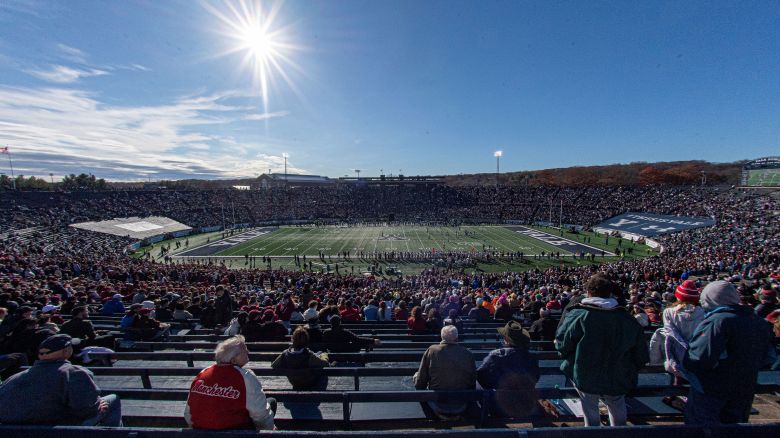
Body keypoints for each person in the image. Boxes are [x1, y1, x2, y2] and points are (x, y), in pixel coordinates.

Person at [555, 273, 649, 427]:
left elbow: (562, 345)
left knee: (590, 409)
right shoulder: (625, 318)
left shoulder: (579, 315)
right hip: (618, 373)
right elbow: (641, 354)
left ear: (589, 292)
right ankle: (619, 433)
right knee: (617, 405)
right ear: (609, 292)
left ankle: (593, 433)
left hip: (586, 373)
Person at [683, 281, 776, 425]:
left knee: (703, 429)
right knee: (735, 429)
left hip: (712, 390)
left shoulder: (717, 321)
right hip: (744, 388)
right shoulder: (759, 322)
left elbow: (699, 359)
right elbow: (768, 357)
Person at [0, 334, 122, 426]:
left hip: (13, 431)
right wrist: (97, 406)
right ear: (66, 351)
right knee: (113, 400)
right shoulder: (74, 373)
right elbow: (87, 410)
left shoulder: (14, 378)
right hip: (59, 429)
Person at [185, 335, 276, 430]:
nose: (248, 351)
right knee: (271, 402)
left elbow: (188, 413)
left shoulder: (203, 372)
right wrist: (271, 431)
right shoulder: (246, 377)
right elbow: (261, 415)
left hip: (199, 431)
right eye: (244, 350)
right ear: (233, 360)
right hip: (235, 432)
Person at [477, 320, 539, 417]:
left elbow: (480, 377)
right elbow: (536, 377)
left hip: (499, 407)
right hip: (525, 404)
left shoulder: (496, 355)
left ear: (506, 340)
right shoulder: (531, 357)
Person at [414, 325, 477, 420]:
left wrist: (419, 387)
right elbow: (472, 381)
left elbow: (421, 379)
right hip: (461, 401)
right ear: (457, 337)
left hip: (437, 400)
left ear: (442, 336)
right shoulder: (467, 353)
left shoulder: (432, 350)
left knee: (416, 375)